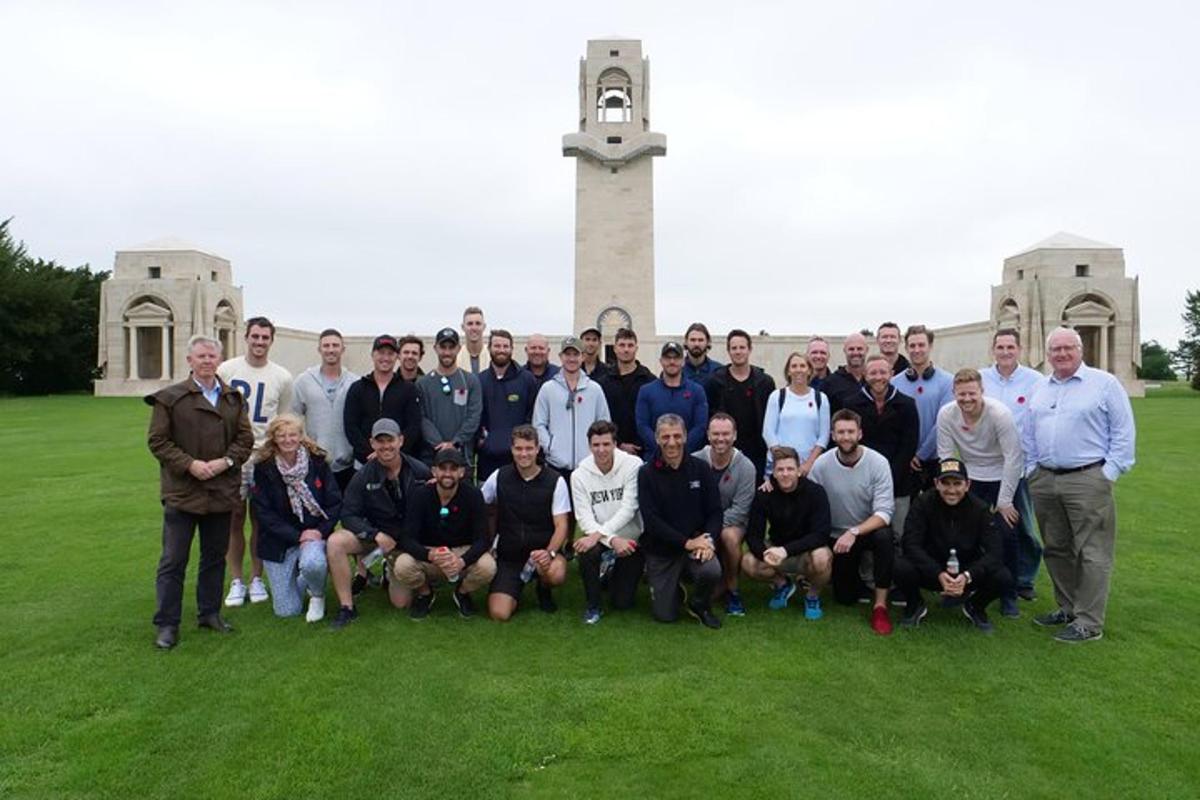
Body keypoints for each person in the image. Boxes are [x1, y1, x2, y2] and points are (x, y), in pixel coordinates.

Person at [1023, 326, 1136, 644]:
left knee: (1092, 552)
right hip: (1045, 479)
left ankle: (1089, 622)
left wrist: (1109, 472)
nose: (1061, 354)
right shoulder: (1041, 388)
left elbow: (1123, 431)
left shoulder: (1104, 384)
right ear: (1048, 354)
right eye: (1055, 349)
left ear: (1080, 350)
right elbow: (1029, 432)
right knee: (1057, 549)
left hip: (1088, 478)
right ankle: (1068, 608)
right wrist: (1033, 469)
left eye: (1067, 348)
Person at [147, 335, 254, 649]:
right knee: (173, 561)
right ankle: (167, 624)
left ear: (218, 360)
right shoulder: (170, 398)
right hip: (183, 491)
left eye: (211, 356)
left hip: (221, 491)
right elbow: (158, 442)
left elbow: (244, 440)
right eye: (201, 356)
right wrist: (190, 465)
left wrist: (225, 462)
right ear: (189, 360)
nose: (207, 361)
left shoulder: (233, 398)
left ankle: (210, 613)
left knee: (214, 559)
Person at [218, 316, 294, 608]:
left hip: (264, 458)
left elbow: (284, 421)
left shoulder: (282, 376)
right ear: (246, 337)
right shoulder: (228, 370)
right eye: (255, 336)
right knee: (234, 518)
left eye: (265, 337)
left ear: (271, 341)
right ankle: (236, 579)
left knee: (262, 521)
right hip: (235, 456)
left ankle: (257, 577)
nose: (260, 342)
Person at [937, 368, 1023, 618]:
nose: (966, 399)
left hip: (1001, 476)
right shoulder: (947, 414)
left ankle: (1009, 594)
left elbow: (1013, 457)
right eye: (961, 394)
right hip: (970, 478)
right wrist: (951, 486)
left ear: (981, 391)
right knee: (962, 537)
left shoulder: (999, 414)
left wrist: (1005, 500)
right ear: (954, 393)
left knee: (1006, 534)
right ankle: (961, 589)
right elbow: (945, 454)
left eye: (971, 393)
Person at [328, 419, 431, 628]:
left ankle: (390, 568)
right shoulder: (363, 475)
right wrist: (374, 534)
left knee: (401, 603)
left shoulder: (419, 471)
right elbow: (348, 515)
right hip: (376, 538)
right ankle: (347, 607)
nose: (386, 446)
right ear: (372, 444)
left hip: (404, 543)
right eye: (380, 441)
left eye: (390, 440)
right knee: (335, 542)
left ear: (400, 441)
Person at [896, 458, 1011, 633]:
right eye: (945, 483)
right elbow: (910, 544)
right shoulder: (922, 503)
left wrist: (967, 576)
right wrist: (938, 573)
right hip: (932, 570)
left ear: (967, 484)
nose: (951, 490)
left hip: (965, 571)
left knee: (1003, 577)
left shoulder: (980, 509)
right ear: (936, 483)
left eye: (957, 484)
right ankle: (914, 604)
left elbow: (995, 552)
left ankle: (975, 607)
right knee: (899, 566)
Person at [809, 409, 896, 635]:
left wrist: (855, 531)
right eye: (841, 432)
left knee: (885, 536)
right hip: (836, 537)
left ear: (860, 434)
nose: (846, 437)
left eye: (850, 431)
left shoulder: (878, 463)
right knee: (845, 598)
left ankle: (880, 605)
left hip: (866, 531)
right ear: (833, 436)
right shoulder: (821, 464)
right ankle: (851, 579)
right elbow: (810, 502)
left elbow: (885, 512)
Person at [249, 414, 340, 622]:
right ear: (273, 439)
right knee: (287, 611)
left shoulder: (317, 461)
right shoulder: (263, 467)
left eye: (292, 435)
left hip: (314, 533)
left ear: (300, 436)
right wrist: (297, 535)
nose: (288, 440)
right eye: (282, 436)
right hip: (278, 541)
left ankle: (317, 594)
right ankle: (302, 579)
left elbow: (334, 502)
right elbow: (263, 513)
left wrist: (319, 531)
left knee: (314, 563)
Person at [637, 414, 723, 629]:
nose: (672, 442)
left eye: (677, 436)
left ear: (685, 437)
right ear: (657, 438)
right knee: (665, 615)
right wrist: (687, 543)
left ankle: (700, 604)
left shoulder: (700, 468)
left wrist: (709, 540)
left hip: (695, 544)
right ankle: (673, 586)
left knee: (712, 570)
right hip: (661, 550)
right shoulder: (646, 473)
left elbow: (715, 511)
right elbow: (651, 520)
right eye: (665, 436)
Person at [392, 447, 496, 620]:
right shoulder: (420, 495)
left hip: (461, 552)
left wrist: (462, 561)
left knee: (488, 566)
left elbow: (483, 539)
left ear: (462, 472)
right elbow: (407, 538)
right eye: (442, 468)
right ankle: (425, 593)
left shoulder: (473, 495)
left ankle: (462, 592)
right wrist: (430, 555)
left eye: (453, 469)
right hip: (431, 553)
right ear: (434, 471)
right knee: (402, 565)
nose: (447, 474)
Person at [981, 327, 1044, 601]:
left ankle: (1024, 578)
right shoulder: (982, 378)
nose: (1005, 352)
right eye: (1000, 347)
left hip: (1020, 467)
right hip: (985, 465)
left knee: (1024, 526)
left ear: (1019, 349)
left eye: (1010, 347)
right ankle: (987, 574)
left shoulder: (1035, 381)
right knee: (987, 524)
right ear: (993, 349)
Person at [483, 426, 571, 621]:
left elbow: (562, 525)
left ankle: (543, 587)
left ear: (538, 449)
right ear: (512, 450)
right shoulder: (499, 476)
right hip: (509, 556)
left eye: (529, 448)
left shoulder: (555, 480)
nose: (524, 454)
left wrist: (549, 553)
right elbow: (476, 502)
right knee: (499, 614)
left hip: (542, 554)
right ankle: (514, 589)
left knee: (556, 573)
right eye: (519, 449)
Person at [742, 446, 833, 620]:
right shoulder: (764, 494)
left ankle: (812, 596)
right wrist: (764, 554)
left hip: (806, 552)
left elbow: (821, 534)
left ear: (799, 471)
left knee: (822, 557)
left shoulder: (816, 492)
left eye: (790, 469)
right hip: (776, 551)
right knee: (748, 562)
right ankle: (782, 584)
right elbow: (753, 535)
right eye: (780, 469)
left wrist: (786, 550)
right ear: (773, 473)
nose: (785, 474)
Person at [571, 420, 644, 624]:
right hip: (603, 540)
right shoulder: (579, 476)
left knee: (622, 602)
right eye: (596, 445)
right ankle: (593, 606)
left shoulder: (632, 465)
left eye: (606, 444)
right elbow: (583, 518)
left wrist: (603, 536)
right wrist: (611, 540)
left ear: (615, 444)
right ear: (589, 446)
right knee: (585, 550)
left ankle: (610, 569)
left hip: (632, 539)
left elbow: (629, 508)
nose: (601, 450)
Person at [845, 354, 920, 538]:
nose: (878, 377)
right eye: (873, 373)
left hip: (898, 480)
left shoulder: (907, 405)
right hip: (863, 481)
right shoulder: (851, 404)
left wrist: (889, 477)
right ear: (864, 374)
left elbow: (909, 445)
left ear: (892, 373)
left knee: (898, 533)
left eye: (882, 372)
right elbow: (852, 442)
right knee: (864, 533)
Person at [693, 413, 757, 617]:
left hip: (733, 523)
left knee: (728, 536)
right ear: (708, 435)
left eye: (726, 434)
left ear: (735, 435)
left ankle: (733, 589)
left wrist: (711, 531)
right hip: (699, 524)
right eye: (716, 434)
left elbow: (741, 509)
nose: (721, 438)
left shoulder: (746, 467)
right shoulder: (694, 460)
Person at [532, 337, 612, 486]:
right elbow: (539, 423)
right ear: (561, 357)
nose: (571, 359)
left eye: (575, 354)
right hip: (556, 466)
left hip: (588, 466)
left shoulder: (594, 389)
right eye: (567, 354)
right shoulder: (548, 388)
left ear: (582, 356)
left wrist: (596, 450)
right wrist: (549, 447)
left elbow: (604, 424)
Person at [290, 328, 358, 491]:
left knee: (349, 513)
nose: (331, 350)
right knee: (318, 514)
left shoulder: (355, 382)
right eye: (326, 346)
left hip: (347, 464)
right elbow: (293, 419)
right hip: (315, 462)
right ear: (319, 349)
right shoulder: (303, 381)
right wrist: (307, 445)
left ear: (343, 349)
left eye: (335, 345)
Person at [705, 328, 776, 480]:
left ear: (750, 349)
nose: (738, 352)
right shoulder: (715, 381)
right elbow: (709, 416)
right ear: (728, 351)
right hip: (724, 450)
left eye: (742, 347)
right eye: (734, 348)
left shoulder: (765, 382)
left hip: (757, 452)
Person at [890, 324, 954, 493]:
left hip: (934, 460)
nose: (916, 350)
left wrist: (921, 455)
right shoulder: (894, 383)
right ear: (906, 348)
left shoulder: (947, 382)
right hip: (903, 460)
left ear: (930, 346)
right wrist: (907, 454)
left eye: (921, 345)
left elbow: (943, 423)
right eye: (912, 345)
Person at [343, 334, 422, 466]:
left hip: (398, 462)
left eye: (390, 353)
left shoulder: (408, 389)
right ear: (373, 355)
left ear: (396, 357)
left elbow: (413, 426)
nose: (385, 358)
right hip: (365, 462)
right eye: (381, 353)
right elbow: (351, 426)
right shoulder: (358, 388)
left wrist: (393, 452)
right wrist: (371, 453)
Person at [417, 327, 483, 468]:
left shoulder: (470, 381)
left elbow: (474, 415)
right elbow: (421, 418)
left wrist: (455, 442)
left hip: (462, 457)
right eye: (443, 347)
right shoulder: (423, 383)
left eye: (451, 347)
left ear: (459, 349)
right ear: (435, 348)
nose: (447, 352)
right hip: (432, 459)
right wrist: (440, 445)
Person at [477, 329, 538, 481]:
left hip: (518, 459)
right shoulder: (479, 381)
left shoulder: (527, 379)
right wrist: (482, 441)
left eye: (505, 346)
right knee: (488, 503)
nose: (501, 350)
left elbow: (532, 415)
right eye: (497, 346)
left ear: (512, 349)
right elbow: (475, 416)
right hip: (488, 459)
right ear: (489, 348)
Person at [635, 341, 709, 460]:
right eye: (667, 358)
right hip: (654, 459)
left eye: (676, 358)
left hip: (688, 459)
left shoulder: (697, 391)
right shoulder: (646, 391)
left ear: (683, 361)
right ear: (661, 361)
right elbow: (642, 426)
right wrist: (662, 449)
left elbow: (700, 426)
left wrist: (680, 450)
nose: (672, 362)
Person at [761, 352, 829, 478]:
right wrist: (783, 462)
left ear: (809, 371)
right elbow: (768, 432)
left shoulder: (821, 398)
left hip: (809, 468)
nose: (799, 370)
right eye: (794, 366)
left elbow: (823, 437)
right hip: (780, 468)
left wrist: (808, 464)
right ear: (788, 371)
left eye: (803, 366)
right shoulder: (777, 396)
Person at [601, 327, 655, 458]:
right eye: (622, 345)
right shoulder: (603, 382)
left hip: (643, 451)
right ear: (614, 348)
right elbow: (601, 417)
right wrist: (618, 444)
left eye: (630, 345)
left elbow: (653, 416)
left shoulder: (650, 381)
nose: (626, 349)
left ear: (636, 348)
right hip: (611, 450)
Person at [821, 332, 868, 412]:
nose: (855, 352)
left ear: (867, 350)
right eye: (851, 349)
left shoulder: (874, 380)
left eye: (859, 349)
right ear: (844, 351)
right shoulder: (830, 383)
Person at [682, 322, 723, 389]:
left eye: (700, 340)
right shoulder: (677, 370)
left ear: (708, 342)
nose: (696, 344)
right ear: (686, 342)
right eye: (693, 340)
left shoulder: (718, 371)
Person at [456, 305, 489, 374]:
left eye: (478, 323)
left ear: (484, 327)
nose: (474, 328)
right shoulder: (455, 358)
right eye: (470, 324)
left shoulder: (492, 356)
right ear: (463, 327)